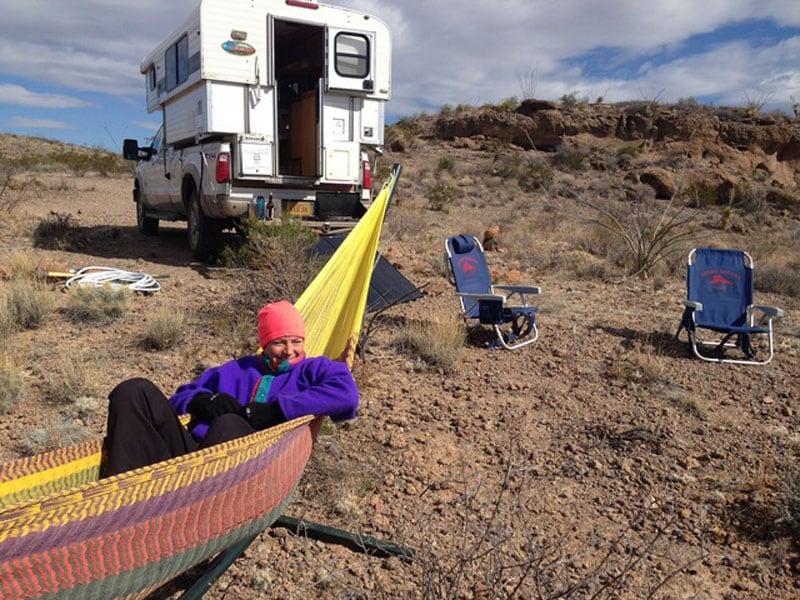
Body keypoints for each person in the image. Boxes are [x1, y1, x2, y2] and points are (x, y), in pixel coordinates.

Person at [100, 300, 359, 478]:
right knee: (133, 391)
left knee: (229, 425)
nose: (289, 350)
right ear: (264, 344)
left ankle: (182, 503)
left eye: (296, 341)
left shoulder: (314, 369)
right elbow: (178, 398)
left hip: (245, 472)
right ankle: (119, 496)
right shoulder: (235, 369)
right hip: (191, 457)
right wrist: (203, 400)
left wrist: (275, 410)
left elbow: (346, 395)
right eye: (279, 342)